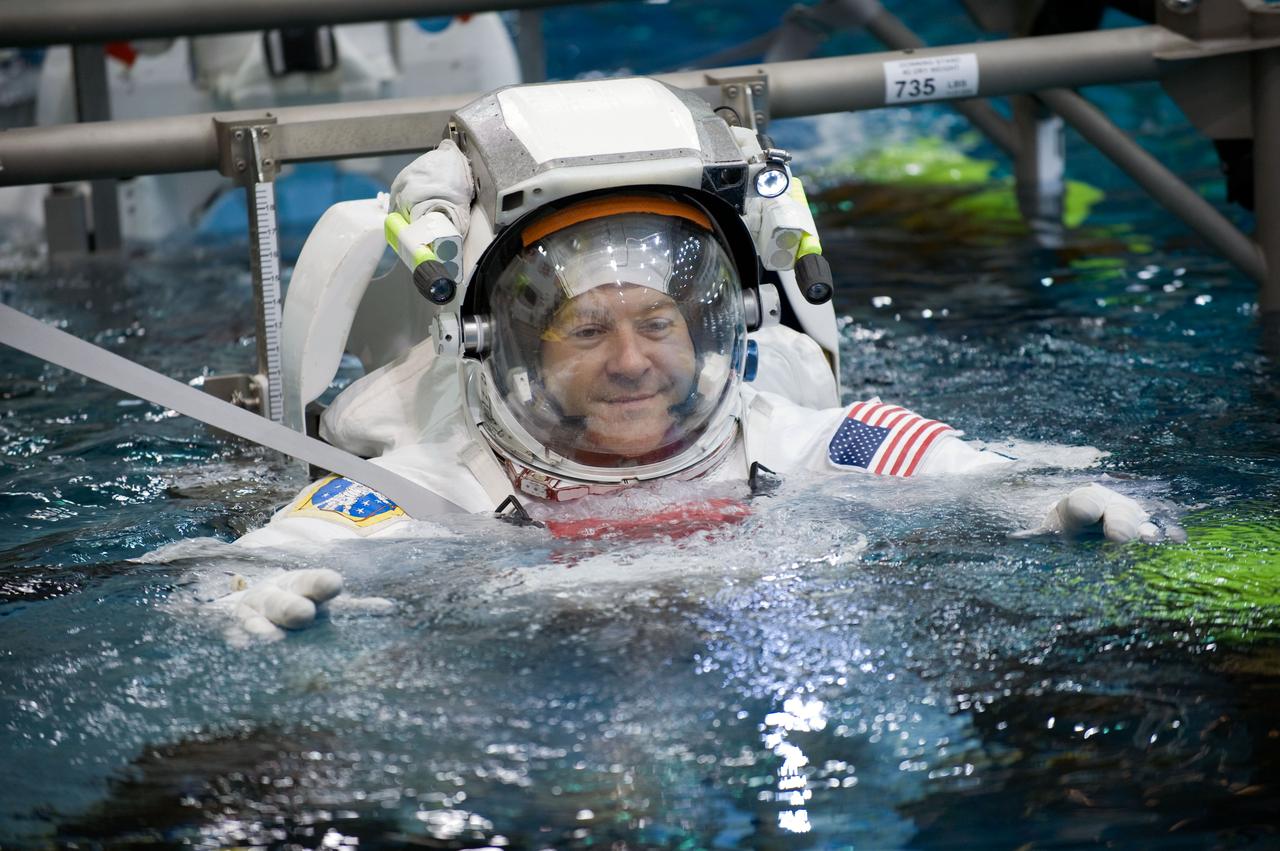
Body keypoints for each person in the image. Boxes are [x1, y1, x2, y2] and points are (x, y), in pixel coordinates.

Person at [224, 77, 1173, 640]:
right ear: (502, 349)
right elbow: (253, 565)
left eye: (661, 323)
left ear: (722, 324)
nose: (633, 360)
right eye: (587, 331)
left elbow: (986, 478)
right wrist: (237, 601)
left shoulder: (807, 443)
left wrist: (1055, 513)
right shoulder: (436, 486)